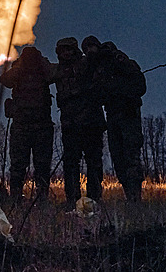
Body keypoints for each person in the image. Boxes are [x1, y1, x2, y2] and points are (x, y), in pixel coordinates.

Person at [81, 36, 146, 201]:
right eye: (85, 49)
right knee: (118, 158)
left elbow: (139, 84)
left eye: (91, 47)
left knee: (131, 156)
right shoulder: (94, 68)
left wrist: (120, 92)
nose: (89, 51)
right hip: (112, 115)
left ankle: (135, 198)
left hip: (128, 113)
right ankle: (129, 195)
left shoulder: (116, 59)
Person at [53, 37, 106, 208]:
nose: (67, 53)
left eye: (69, 49)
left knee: (94, 161)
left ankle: (94, 199)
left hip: (91, 123)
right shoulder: (58, 70)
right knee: (70, 163)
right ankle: (72, 199)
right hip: (70, 125)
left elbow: (99, 86)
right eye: (63, 50)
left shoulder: (87, 64)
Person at [0, 46, 54, 202]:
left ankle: (41, 198)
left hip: (41, 125)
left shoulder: (43, 69)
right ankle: (16, 198)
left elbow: (53, 74)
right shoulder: (18, 70)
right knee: (18, 165)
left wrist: (41, 63)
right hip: (22, 125)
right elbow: (5, 80)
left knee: (42, 165)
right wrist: (19, 66)